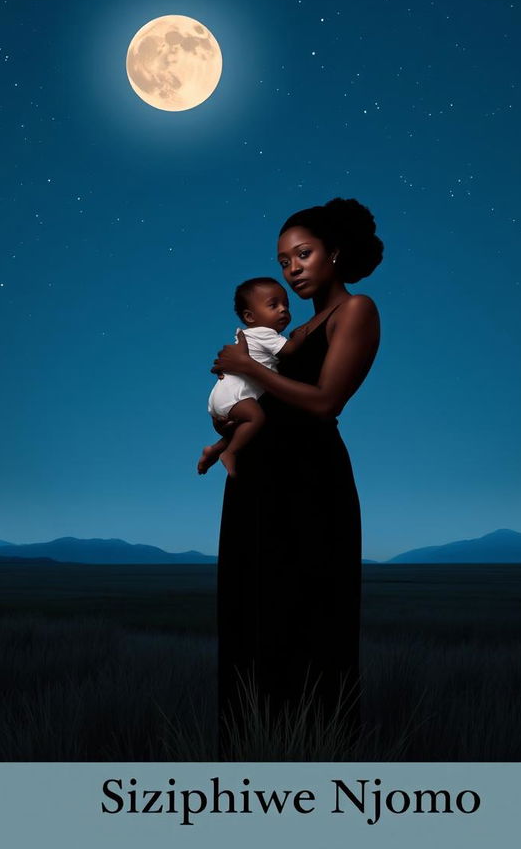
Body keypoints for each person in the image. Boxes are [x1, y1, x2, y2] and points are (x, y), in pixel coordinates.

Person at [211, 197, 382, 756]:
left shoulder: (355, 312)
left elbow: (326, 402)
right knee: (251, 616)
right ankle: (248, 759)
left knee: (309, 618)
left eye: (303, 254)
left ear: (334, 252)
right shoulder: (294, 332)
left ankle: (319, 764)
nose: (293, 269)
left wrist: (243, 367)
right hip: (258, 488)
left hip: (311, 488)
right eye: (284, 261)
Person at [197, 277, 308, 478]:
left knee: (245, 429)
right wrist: (299, 337)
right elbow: (290, 350)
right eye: (273, 305)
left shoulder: (249, 335)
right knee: (256, 418)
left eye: (286, 305)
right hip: (236, 396)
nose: (283, 309)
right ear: (250, 317)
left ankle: (215, 449)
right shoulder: (265, 333)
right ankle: (230, 453)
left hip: (224, 396)